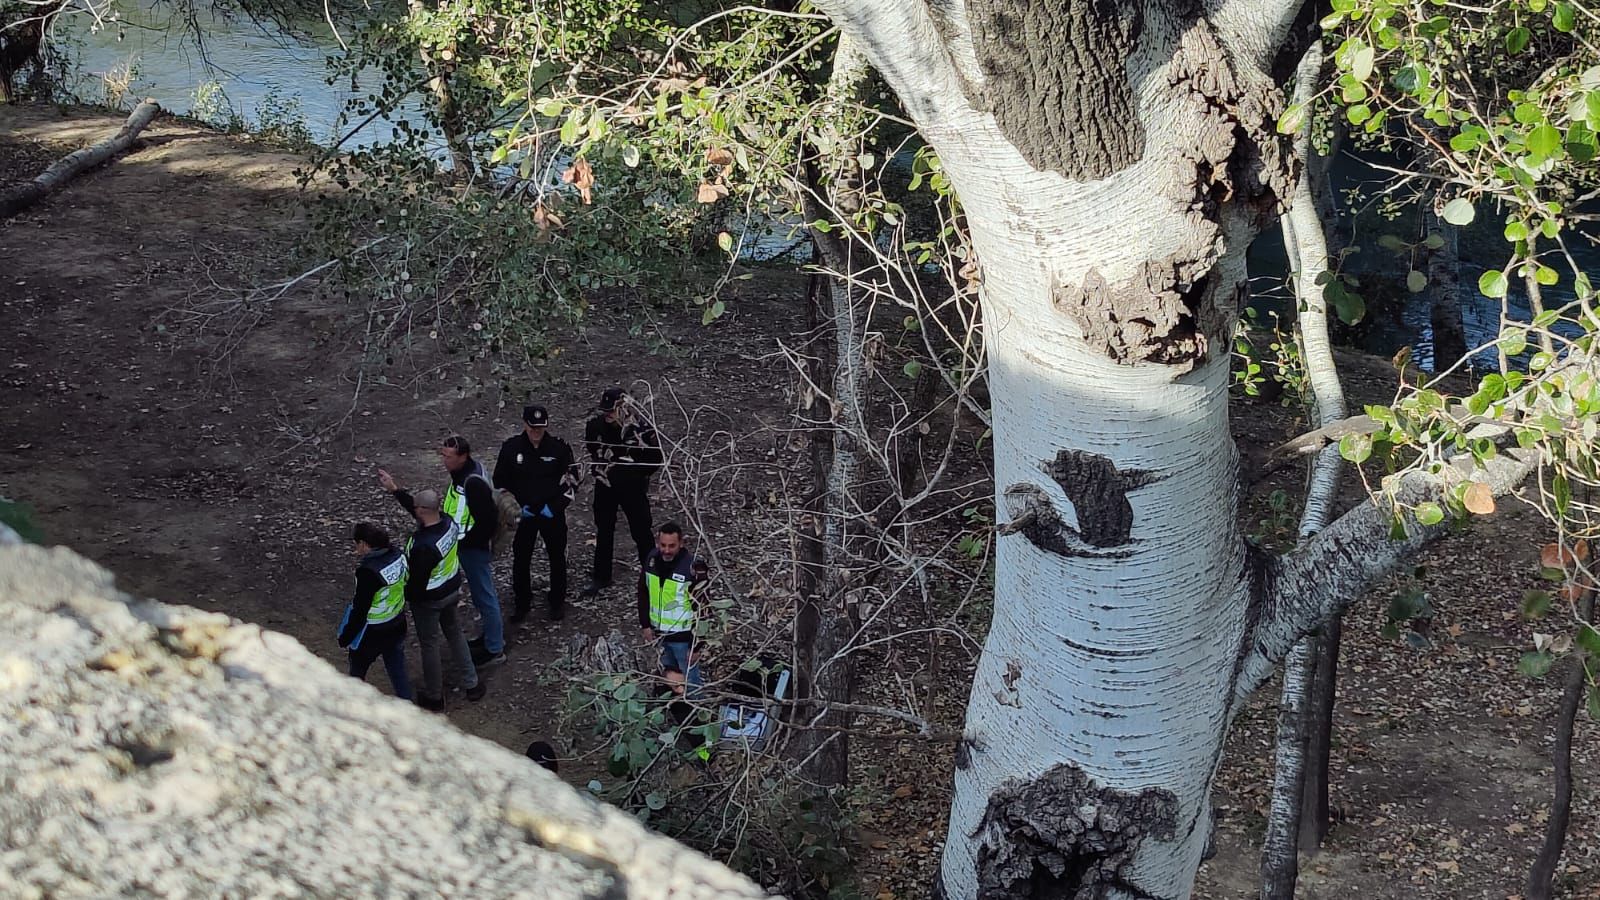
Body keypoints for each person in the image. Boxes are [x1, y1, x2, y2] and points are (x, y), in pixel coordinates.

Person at [380, 434, 506, 667]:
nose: (444, 461)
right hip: (464, 543)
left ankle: (495, 649)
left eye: (448, 456)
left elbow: (487, 521)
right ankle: (489, 639)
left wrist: (462, 543)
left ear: (463, 456)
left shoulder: (473, 483)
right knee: (482, 597)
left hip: (473, 549)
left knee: (485, 596)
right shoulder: (464, 473)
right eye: (443, 455)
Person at [494, 404, 579, 623]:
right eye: (532, 428)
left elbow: (572, 482)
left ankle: (557, 601)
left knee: (557, 557)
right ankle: (522, 602)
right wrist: (515, 508)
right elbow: (500, 482)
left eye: (540, 428)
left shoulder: (559, 449)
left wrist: (555, 507)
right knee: (521, 558)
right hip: (524, 514)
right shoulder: (511, 448)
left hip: (551, 513)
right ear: (525, 424)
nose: (536, 432)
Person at [401, 488, 484, 710]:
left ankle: (434, 697)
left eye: (417, 508)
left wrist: (406, 597)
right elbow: (418, 509)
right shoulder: (448, 522)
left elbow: (417, 581)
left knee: (429, 644)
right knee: (455, 633)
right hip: (451, 589)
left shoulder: (423, 545)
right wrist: (395, 490)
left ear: (422, 510)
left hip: (429, 599)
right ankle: (472, 683)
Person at [583, 387, 661, 596]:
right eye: (606, 412)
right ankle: (601, 576)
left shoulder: (641, 430)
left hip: (633, 487)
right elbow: (594, 451)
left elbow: (655, 459)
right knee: (604, 529)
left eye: (613, 411)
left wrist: (635, 474)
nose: (609, 416)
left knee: (641, 530)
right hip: (606, 486)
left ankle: (652, 576)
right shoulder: (595, 426)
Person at [338, 522, 414, 701]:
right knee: (396, 666)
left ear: (364, 544)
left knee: (358, 669)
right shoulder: (399, 555)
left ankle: (354, 706)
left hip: (373, 631)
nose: (356, 548)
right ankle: (407, 703)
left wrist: (346, 637)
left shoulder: (368, 572)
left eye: (356, 544)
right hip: (397, 622)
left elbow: (360, 609)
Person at [638, 521, 709, 697]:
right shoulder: (652, 560)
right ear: (657, 542)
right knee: (666, 682)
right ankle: (673, 714)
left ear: (681, 544)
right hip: (659, 635)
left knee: (691, 686)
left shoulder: (694, 568)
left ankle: (695, 718)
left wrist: (697, 646)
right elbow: (643, 592)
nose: (667, 550)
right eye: (663, 545)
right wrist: (645, 625)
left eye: (672, 546)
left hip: (684, 639)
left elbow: (704, 608)